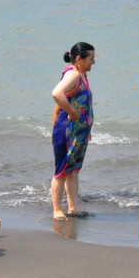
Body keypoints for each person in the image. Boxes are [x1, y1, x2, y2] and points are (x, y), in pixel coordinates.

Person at [51, 42, 95, 221]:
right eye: (91, 58)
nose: (94, 62)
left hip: (79, 132)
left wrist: (87, 128)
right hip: (67, 131)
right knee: (61, 172)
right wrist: (71, 112)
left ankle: (73, 207)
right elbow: (56, 93)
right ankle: (56, 210)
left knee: (73, 170)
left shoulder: (81, 74)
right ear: (79, 59)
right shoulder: (73, 75)